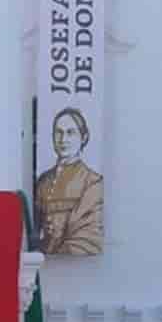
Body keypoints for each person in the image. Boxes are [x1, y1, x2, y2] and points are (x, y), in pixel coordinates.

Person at [34, 106, 105, 255]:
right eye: (58, 133)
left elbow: (88, 240)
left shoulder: (92, 181)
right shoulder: (43, 181)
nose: (63, 139)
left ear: (83, 137)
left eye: (70, 133)